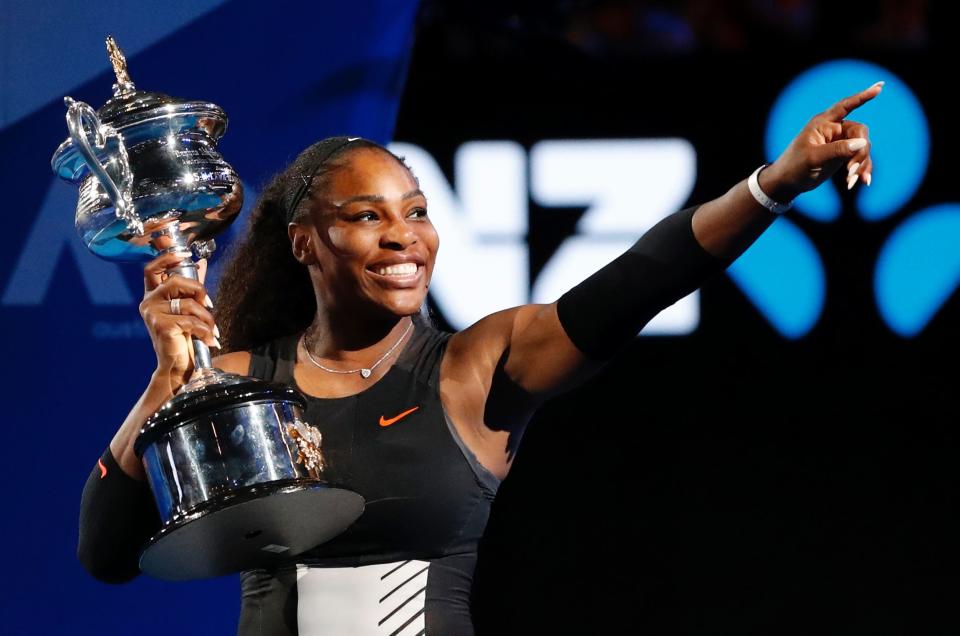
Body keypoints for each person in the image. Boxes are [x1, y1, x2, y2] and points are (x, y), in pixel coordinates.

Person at [77, 82, 882, 635]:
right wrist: (165, 389)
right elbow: (106, 557)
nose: (404, 236)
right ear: (304, 244)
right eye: (365, 216)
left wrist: (775, 182)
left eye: (417, 213)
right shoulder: (241, 380)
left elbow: (643, 279)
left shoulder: (476, 367)